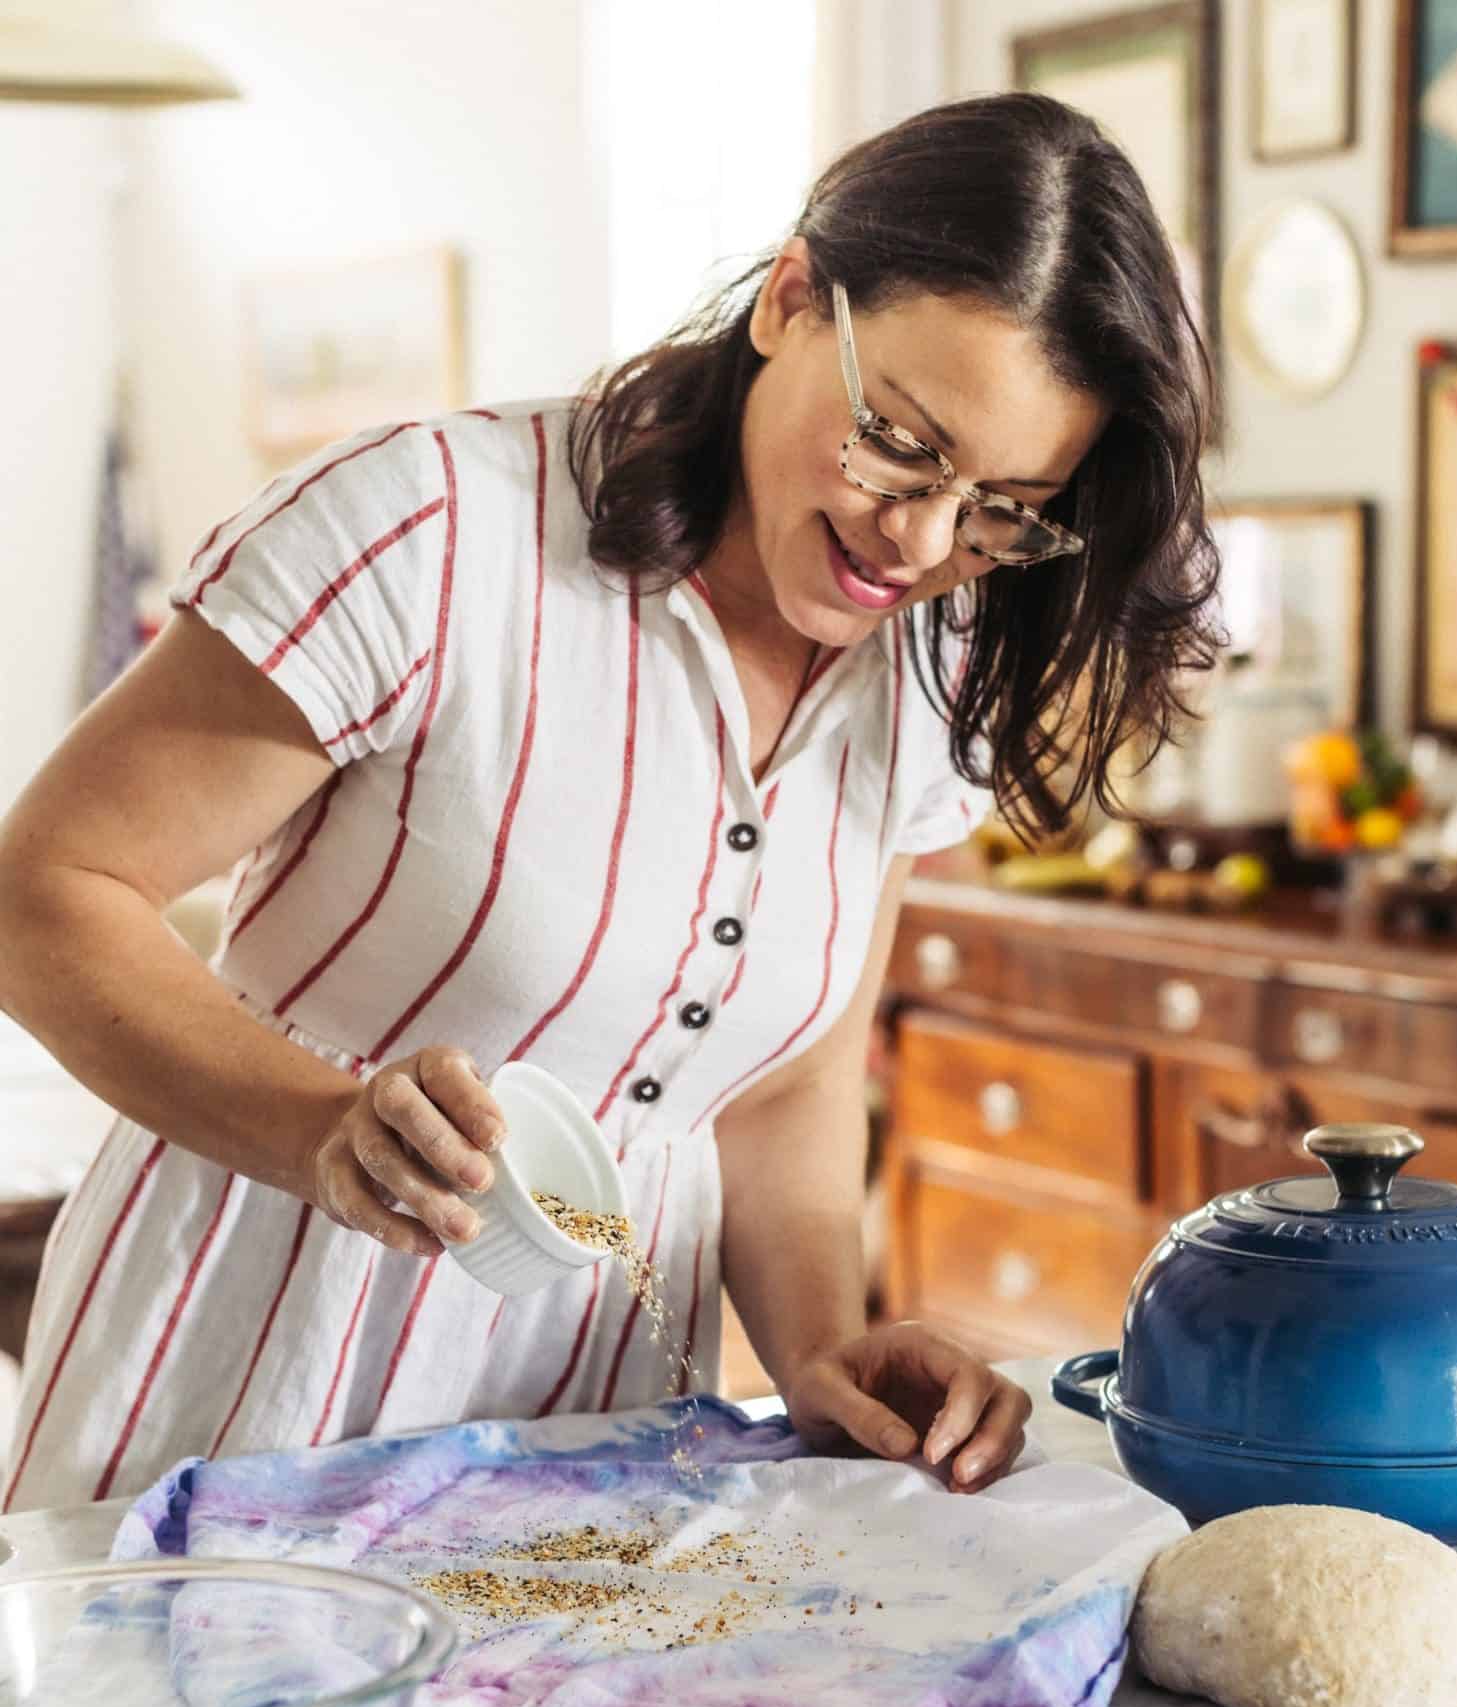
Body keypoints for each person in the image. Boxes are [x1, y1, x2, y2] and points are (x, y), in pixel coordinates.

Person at [0, 92, 1218, 1514]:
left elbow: (792, 1075)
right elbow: (43, 894)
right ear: (787, 299)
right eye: (901, 440)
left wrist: (824, 1341)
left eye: (1006, 506)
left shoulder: (930, 666)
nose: (925, 537)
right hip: (243, 1379)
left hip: (599, 1446)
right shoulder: (436, 532)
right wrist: (321, 1130)